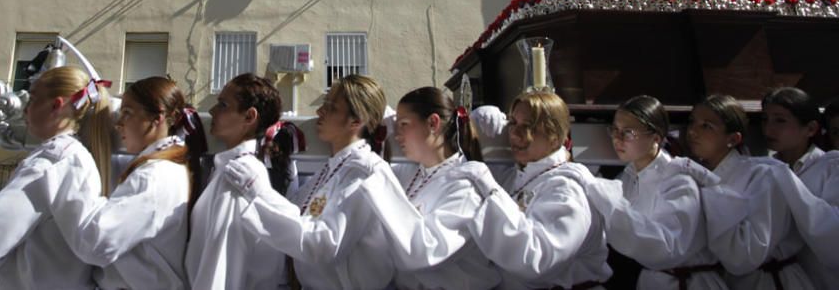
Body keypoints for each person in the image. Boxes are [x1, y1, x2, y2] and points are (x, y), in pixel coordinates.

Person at [224, 74, 400, 290]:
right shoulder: (331, 170)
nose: (319, 112)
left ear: (356, 121)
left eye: (331, 108)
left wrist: (259, 193)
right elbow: (295, 216)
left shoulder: (364, 173)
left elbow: (323, 244)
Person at [0, 66, 113, 289]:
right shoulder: (74, 157)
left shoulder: (51, 162)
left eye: (32, 100)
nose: (25, 110)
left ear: (55, 105)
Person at [45, 76, 197, 290]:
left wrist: (66, 177)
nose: (118, 124)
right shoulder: (164, 167)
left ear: (158, 117)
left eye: (127, 113)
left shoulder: (154, 177)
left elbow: (96, 243)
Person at [453, 90, 612, 289]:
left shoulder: (568, 189)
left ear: (555, 137)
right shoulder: (518, 175)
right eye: (513, 123)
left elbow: (536, 260)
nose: (515, 133)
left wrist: (487, 187)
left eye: (528, 127)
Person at [355, 87, 501, 290]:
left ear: (433, 123)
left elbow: (424, 252)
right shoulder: (409, 173)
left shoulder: (465, 185)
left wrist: (377, 172)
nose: (397, 135)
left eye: (404, 125)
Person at [585, 94, 727, 289]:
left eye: (628, 132)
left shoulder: (678, 180)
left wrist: (607, 201)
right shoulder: (627, 177)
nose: (617, 139)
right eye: (615, 130)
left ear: (655, 138)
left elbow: (667, 247)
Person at [687, 94, 814, 289]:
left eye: (706, 126)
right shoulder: (693, 176)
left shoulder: (764, 175)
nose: (692, 132)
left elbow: (747, 254)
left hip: (770, 281)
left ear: (733, 138)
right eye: (692, 122)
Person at [184, 73, 288, 290]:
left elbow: (220, 266)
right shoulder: (229, 168)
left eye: (222, 105)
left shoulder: (239, 175)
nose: (212, 111)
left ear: (249, 117)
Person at [761, 87, 839, 287]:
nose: (769, 129)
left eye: (780, 120)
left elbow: (831, 238)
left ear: (811, 129)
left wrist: (785, 178)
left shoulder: (831, 167)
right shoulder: (762, 170)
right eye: (765, 119)